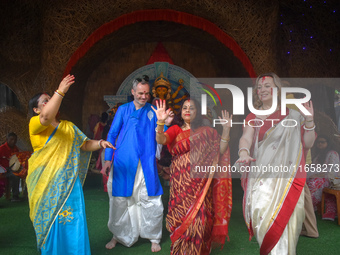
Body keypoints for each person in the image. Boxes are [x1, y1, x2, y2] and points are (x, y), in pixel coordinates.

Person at [26, 74, 114, 255]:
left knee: (73, 221)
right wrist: (60, 91)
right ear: (36, 110)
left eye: (51, 99)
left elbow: (84, 144)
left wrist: (100, 143)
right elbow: (45, 117)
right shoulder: (36, 124)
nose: (50, 102)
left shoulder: (68, 126)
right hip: (46, 186)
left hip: (69, 184)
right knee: (52, 222)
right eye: (45, 101)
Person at [236, 73, 316, 255]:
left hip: (286, 180)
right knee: (262, 219)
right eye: (259, 87)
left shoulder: (294, 115)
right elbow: (246, 138)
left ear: (278, 90)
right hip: (261, 180)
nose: (261, 90)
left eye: (267, 86)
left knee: (287, 224)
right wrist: (243, 152)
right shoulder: (253, 116)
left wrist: (310, 121)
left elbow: (309, 143)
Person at [101, 75, 173, 252]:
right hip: (124, 163)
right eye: (140, 93)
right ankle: (119, 235)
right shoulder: (123, 110)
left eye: (147, 93)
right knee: (120, 200)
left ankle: (154, 236)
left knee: (151, 199)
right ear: (133, 92)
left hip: (146, 163)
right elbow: (112, 135)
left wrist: (165, 122)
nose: (144, 96)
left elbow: (161, 137)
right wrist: (108, 159)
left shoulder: (153, 110)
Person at [152, 98, 233, 254]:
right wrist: (160, 123)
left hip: (202, 185)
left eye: (192, 108)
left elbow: (220, 151)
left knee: (201, 220)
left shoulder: (208, 132)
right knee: (182, 219)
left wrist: (227, 130)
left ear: (198, 112)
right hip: (180, 184)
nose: (188, 110)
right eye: (184, 108)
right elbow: (161, 139)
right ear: (181, 113)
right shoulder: (176, 129)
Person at [307, 134, 340, 221]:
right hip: (319, 178)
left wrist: (316, 175)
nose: (320, 144)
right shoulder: (318, 155)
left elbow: (333, 171)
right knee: (307, 181)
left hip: (331, 180)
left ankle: (309, 207)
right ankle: (308, 207)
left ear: (327, 143)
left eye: (322, 142)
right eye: (318, 142)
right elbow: (312, 168)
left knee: (313, 182)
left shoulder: (333, 153)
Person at [0, 132, 20, 201]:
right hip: (3, 170)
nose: (13, 141)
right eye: (11, 139)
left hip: (12, 169)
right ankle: (14, 196)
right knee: (15, 175)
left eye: (15, 140)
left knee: (21, 174)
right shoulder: (1, 149)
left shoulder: (16, 149)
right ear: (7, 139)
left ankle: (17, 195)